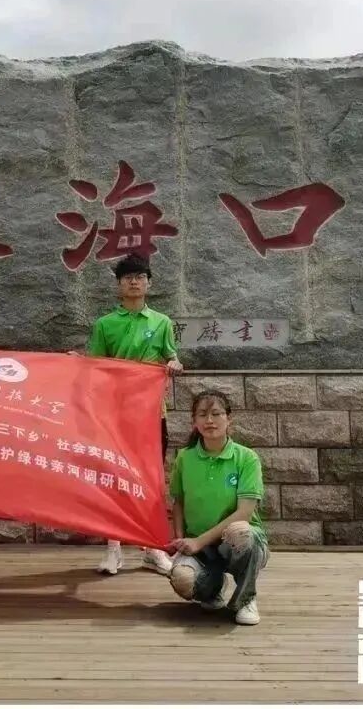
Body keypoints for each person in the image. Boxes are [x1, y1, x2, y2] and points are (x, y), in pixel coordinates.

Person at [84, 253, 183, 576]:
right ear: (119, 285)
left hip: (152, 415)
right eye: (128, 277)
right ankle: (113, 548)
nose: (134, 282)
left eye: (140, 277)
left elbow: (171, 356)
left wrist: (174, 364)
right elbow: (96, 369)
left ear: (149, 283)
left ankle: (153, 548)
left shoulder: (162, 322)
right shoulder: (105, 324)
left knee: (151, 480)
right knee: (113, 478)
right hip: (115, 416)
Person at [167, 389, 268, 626]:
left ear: (229, 419)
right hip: (200, 548)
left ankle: (246, 599)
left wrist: (198, 541)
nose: (209, 420)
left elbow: (244, 513)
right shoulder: (184, 458)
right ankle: (212, 590)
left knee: (241, 532)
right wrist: (181, 540)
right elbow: (178, 501)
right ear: (194, 421)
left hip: (234, 542)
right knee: (182, 579)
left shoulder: (246, 458)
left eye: (216, 414)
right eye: (202, 414)